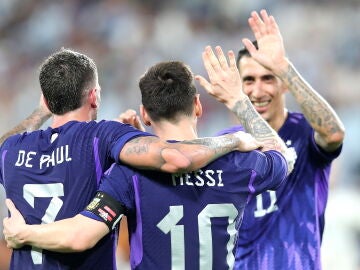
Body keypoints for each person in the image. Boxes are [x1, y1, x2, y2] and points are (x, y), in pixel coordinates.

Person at [3, 47, 294, 269]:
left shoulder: (129, 174)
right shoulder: (242, 164)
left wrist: (24, 233)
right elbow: (281, 154)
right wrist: (238, 104)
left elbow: (82, 233)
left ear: (144, 113)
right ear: (197, 105)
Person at [215, 10, 345, 269]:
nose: (258, 90)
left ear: (284, 84)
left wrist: (284, 67)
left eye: (268, 78)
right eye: (249, 81)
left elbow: (334, 134)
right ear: (238, 88)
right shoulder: (225, 143)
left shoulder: (305, 132)